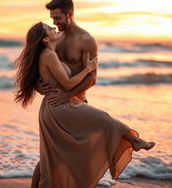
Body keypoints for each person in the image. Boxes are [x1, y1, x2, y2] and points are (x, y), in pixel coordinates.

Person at [14, 22, 155, 188]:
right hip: (60, 106)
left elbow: (41, 77)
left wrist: (40, 84)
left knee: (50, 157)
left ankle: (134, 141)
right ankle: (135, 141)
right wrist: (88, 68)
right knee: (104, 119)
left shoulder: (49, 52)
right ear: (45, 38)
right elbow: (67, 84)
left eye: (54, 21)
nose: (54, 27)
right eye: (50, 28)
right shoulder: (49, 55)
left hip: (54, 106)